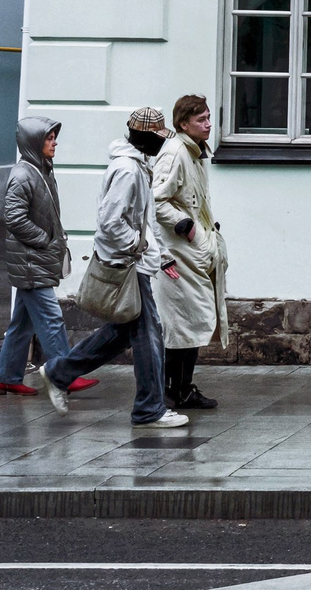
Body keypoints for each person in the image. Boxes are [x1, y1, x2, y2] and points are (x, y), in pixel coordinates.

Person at [44, 106, 189, 428]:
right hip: (128, 266)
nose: (163, 143)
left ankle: (59, 372)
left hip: (134, 262)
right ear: (144, 137)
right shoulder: (128, 170)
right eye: (159, 137)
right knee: (149, 339)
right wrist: (139, 248)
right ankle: (149, 410)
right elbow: (110, 221)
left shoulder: (136, 166)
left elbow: (144, 220)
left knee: (123, 333)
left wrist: (159, 254)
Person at [0, 115, 98, 398]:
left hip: (33, 259)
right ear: (33, 142)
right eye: (48, 138)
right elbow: (14, 218)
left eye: (53, 137)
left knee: (22, 324)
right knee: (52, 318)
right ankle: (64, 374)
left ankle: (6, 377)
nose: (54, 143)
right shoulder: (23, 174)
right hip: (30, 261)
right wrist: (45, 241)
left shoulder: (41, 170)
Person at [152, 92, 229, 412]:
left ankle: (181, 388)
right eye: (201, 119)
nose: (209, 124)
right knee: (181, 324)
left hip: (193, 252)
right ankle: (172, 390)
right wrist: (187, 227)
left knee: (193, 321)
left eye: (209, 117)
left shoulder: (194, 151)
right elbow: (157, 200)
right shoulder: (176, 153)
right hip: (179, 254)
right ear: (184, 124)